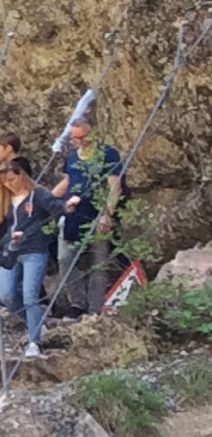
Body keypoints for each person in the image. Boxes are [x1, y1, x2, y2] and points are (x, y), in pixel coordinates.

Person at [54, 108, 126, 311]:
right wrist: (47, 199)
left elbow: (115, 186)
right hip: (73, 214)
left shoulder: (107, 154)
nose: (81, 141)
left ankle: (95, 307)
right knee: (65, 259)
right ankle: (77, 302)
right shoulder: (72, 158)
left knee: (98, 262)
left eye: (84, 136)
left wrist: (107, 214)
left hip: (96, 213)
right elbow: (67, 182)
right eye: (76, 138)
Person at [0, 162, 62, 359]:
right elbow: (5, 229)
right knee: (6, 295)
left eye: (12, 179)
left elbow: (58, 209)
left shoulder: (37, 194)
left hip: (34, 250)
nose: (9, 184)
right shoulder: (5, 201)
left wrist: (68, 207)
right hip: (11, 251)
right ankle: (37, 322)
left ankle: (34, 342)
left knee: (30, 295)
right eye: (4, 182)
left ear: (21, 175)